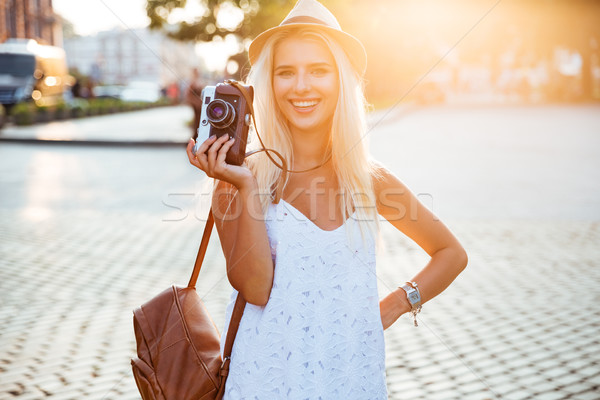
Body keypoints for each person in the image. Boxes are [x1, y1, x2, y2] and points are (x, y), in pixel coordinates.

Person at [186, 0, 468, 398]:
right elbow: (255, 289)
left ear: (340, 80)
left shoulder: (370, 180)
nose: (301, 86)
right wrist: (246, 188)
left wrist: (392, 306)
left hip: (351, 379)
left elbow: (451, 253)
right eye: (286, 72)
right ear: (269, 83)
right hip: (264, 383)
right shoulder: (237, 178)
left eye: (318, 70)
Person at [186, 67, 204, 139]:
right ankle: (195, 137)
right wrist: (196, 102)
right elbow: (189, 96)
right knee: (197, 121)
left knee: (200, 121)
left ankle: (198, 136)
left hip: (200, 106)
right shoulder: (192, 83)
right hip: (196, 106)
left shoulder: (200, 81)